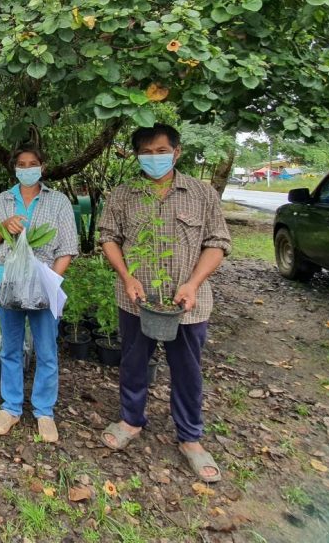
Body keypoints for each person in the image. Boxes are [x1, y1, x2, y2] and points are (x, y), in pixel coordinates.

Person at [98, 124, 231, 483]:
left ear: (177, 152)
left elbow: (218, 242)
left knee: (187, 370)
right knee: (133, 362)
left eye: (161, 151)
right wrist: (127, 276)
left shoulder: (201, 193)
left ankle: (191, 437)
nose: (153, 158)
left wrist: (193, 282)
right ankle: (130, 420)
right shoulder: (124, 195)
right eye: (146, 152)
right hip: (136, 300)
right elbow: (108, 237)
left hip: (188, 305)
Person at [0, 147, 78, 443]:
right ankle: (11, 407)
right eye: (21, 165)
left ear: (42, 167)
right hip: (8, 282)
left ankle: (44, 411)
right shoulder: (4, 199)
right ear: (15, 169)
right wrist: (4, 227)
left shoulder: (57, 201)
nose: (27, 168)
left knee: (47, 350)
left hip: (43, 284)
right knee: (10, 348)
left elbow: (67, 247)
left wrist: (52, 281)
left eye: (32, 164)